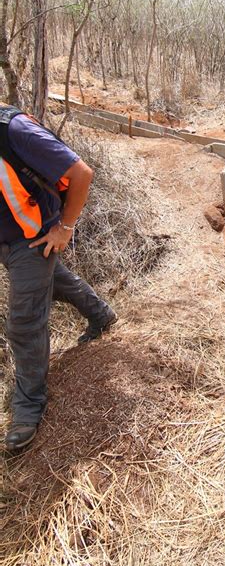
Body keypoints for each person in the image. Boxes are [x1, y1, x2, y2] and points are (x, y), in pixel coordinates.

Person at [0, 104, 117, 452]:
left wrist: (65, 228)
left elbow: (81, 173)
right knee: (58, 281)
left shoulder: (14, 130)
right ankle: (101, 314)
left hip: (33, 239)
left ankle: (28, 407)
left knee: (23, 323)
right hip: (9, 240)